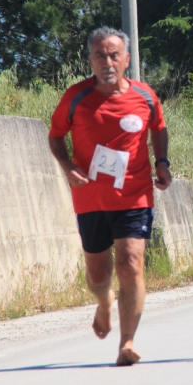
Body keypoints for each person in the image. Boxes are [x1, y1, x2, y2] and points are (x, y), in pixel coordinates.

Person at [48, 26, 171, 366]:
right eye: (100, 55)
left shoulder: (145, 96)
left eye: (114, 55)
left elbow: (158, 127)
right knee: (99, 276)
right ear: (90, 60)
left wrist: (162, 162)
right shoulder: (75, 98)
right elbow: (56, 135)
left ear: (126, 59)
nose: (107, 61)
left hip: (134, 195)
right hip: (91, 199)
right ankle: (104, 302)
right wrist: (67, 165)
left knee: (131, 262)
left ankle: (127, 342)